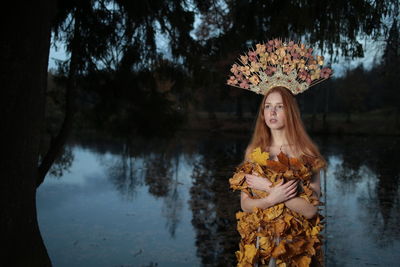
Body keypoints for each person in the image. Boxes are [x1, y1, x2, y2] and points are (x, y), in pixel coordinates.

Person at [227, 39, 332, 266]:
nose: (272, 112)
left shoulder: (306, 153)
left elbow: (310, 211)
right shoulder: (254, 152)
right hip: (260, 244)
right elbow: (245, 205)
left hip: (296, 247)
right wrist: (274, 199)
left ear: (290, 112)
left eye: (279, 106)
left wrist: (269, 189)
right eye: (267, 106)